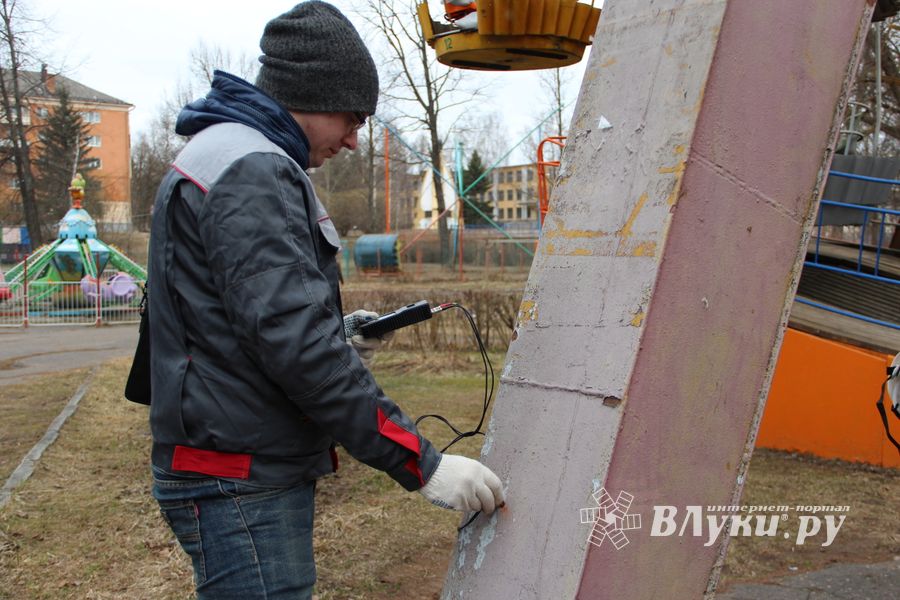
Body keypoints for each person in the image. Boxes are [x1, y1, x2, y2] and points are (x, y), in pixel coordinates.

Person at [147, 2, 504, 598]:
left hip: (227, 456)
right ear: (313, 93)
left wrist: (333, 330)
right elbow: (295, 347)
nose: (354, 139)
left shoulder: (226, 152)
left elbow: (234, 318)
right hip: (239, 475)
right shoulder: (255, 170)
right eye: (353, 117)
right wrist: (421, 462)